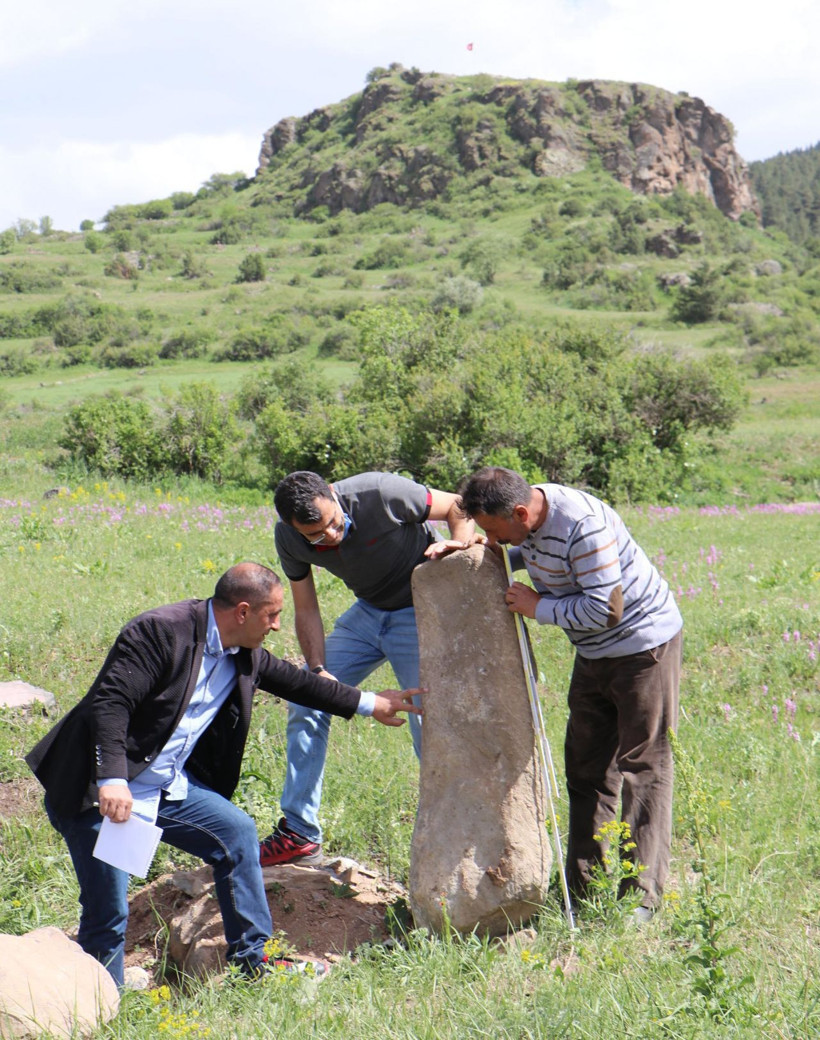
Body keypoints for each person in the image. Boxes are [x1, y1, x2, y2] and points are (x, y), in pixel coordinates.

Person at [25, 562, 420, 986]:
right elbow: (110, 704)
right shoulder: (159, 631)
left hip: (162, 788)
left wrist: (372, 703)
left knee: (235, 834)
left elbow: (299, 684)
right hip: (98, 790)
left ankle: (252, 965)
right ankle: (102, 1001)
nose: (277, 626)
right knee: (109, 909)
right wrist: (113, 778)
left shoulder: (243, 653)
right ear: (243, 612)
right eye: (273, 615)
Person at [458, 467, 682, 917]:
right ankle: (584, 889)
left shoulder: (580, 523)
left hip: (642, 648)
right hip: (593, 654)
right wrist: (483, 551)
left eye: (492, 529)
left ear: (521, 511)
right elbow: (531, 549)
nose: (491, 537)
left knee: (642, 768)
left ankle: (642, 897)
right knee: (585, 769)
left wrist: (538, 607)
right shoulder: (531, 522)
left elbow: (606, 609)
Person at [260, 470, 474, 867]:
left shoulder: (379, 492)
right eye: (317, 537)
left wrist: (458, 546)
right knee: (307, 700)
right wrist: (318, 669)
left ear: (333, 495)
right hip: (368, 614)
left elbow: (456, 505)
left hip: (418, 605)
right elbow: (306, 606)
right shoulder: (289, 537)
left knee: (427, 720)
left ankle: (453, 835)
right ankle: (299, 833)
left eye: (334, 523)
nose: (332, 537)